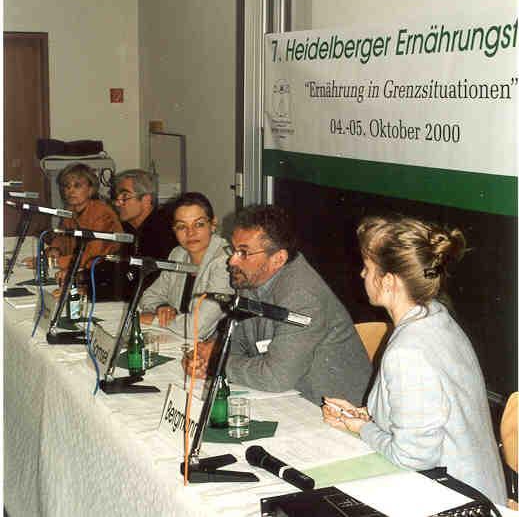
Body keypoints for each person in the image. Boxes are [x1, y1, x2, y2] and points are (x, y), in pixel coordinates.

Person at [322, 215, 506, 504]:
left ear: (390, 281)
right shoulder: (435, 316)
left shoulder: (408, 351)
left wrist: (362, 428)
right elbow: (427, 412)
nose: (361, 275)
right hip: (476, 489)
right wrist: (367, 415)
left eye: (368, 268)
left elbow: (413, 457)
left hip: (454, 500)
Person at [183, 205, 372, 406]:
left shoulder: (302, 297)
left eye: (244, 253)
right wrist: (205, 358)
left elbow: (275, 377)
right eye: (233, 249)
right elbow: (237, 341)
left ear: (278, 259)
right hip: (289, 398)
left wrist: (217, 362)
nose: (232, 260)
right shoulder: (250, 277)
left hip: (334, 414)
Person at [139, 192, 232, 340]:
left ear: (213, 224)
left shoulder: (226, 262)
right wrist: (161, 307)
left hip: (210, 348)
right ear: (174, 230)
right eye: (182, 227)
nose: (191, 233)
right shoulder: (178, 253)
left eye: (199, 224)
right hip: (178, 339)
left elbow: (198, 328)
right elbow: (149, 297)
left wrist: (154, 320)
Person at [92, 169, 177, 299]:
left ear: (146, 199)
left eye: (125, 197)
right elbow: (115, 269)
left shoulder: (163, 232)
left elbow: (146, 283)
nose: (117, 203)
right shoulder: (128, 228)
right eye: (116, 198)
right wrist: (83, 280)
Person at [33, 163, 122, 284]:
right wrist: (54, 250)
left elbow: (92, 255)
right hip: (77, 268)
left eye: (77, 186)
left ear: (91, 189)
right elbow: (62, 239)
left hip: (102, 275)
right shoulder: (70, 209)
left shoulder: (102, 212)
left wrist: (52, 262)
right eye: (67, 186)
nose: (71, 191)